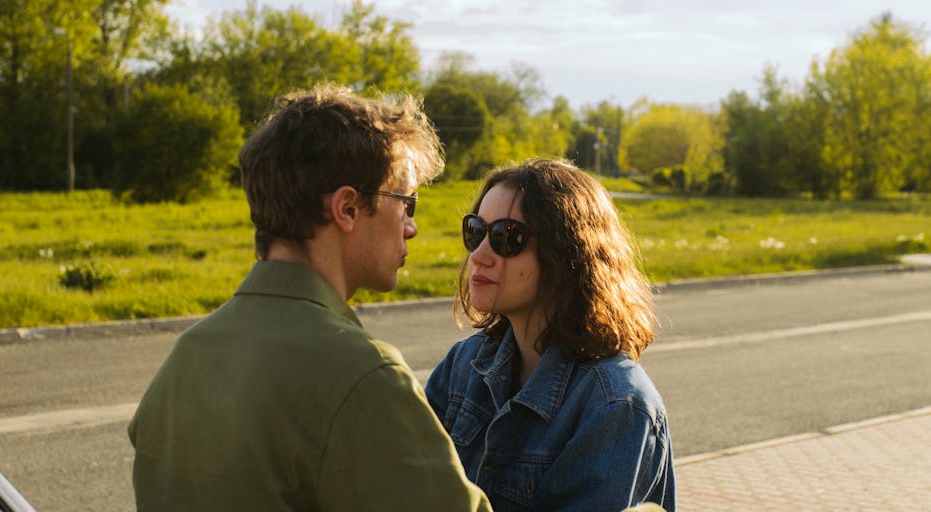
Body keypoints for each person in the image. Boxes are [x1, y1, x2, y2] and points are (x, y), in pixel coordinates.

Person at [128, 84, 490, 511]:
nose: (411, 226)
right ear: (347, 209)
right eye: (406, 203)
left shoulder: (188, 356)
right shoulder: (364, 374)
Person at [425, 158, 676, 512]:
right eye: (476, 231)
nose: (479, 255)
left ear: (567, 254)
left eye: (506, 237)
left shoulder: (616, 405)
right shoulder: (463, 364)